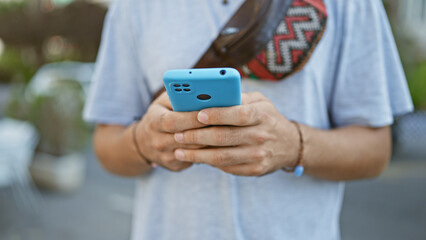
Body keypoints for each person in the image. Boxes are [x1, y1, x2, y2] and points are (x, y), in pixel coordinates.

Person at [84, 0, 413, 239]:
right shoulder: (133, 7)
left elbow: (375, 150)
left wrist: (293, 145)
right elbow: (106, 145)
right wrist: (144, 142)